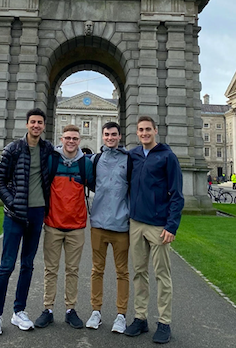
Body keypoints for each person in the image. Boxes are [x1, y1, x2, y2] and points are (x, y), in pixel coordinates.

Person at [0, 108, 54, 336]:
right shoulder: (13, 149)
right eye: (33, 122)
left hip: (36, 215)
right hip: (15, 216)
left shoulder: (47, 150)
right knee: (7, 266)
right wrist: (13, 203)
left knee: (28, 265)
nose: (36, 126)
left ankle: (19, 311)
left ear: (44, 126)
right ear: (27, 124)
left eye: (40, 122)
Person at [124, 116, 184, 344]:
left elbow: (177, 195)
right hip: (137, 223)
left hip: (159, 226)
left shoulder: (168, 157)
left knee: (162, 275)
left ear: (155, 131)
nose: (144, 133)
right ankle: (140, 318)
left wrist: (172, 226)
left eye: (148, 129)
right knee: (139, 273)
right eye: (141, 130)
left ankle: (164, 322)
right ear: (137, 132)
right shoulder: (134, 155)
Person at [34, 124, 94, 330]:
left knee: (73, 270)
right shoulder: (51, 159)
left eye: (75, 138)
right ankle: (48, 309)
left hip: (76, 226)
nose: (71, 141)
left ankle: (70, 309)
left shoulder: (86, 164)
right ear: (61, 138)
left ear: (79, 140)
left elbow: (99, 186)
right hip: (53, 224)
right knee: (50, 270)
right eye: (68, 138)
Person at [85, 122, 130, 333]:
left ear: (120, 136)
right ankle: (96, 311)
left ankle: (121, 314)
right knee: (97, 270)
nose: (110, 138)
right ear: (102, 136)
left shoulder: (129, 160)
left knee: (122, 272)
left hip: (121, 225)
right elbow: (91, 183)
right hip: (98, 224)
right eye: (107, 134)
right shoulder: (95, 160)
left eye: (113, 134)